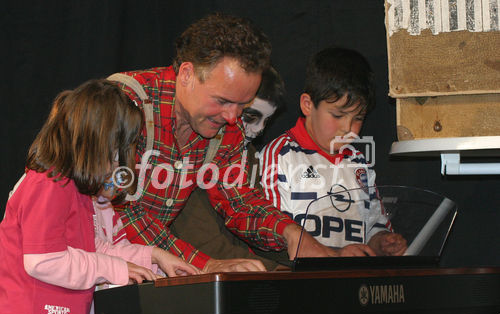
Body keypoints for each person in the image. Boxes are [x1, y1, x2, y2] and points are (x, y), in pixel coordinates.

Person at [110, 13, 337, 273]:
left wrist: (291, 233)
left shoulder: (225, 128)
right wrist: (205, 264)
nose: (232, 117)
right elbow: (118, 210)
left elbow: (239, 201)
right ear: (187, 74)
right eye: (222, 100)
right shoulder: (124, 103)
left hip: (139, 267)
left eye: (242, 105)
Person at [0, 79, 199, 314]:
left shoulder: (75, 188)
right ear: (97, 142)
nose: (119, 165)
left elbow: (93, 248)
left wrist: (153, 257)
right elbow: (44, 260)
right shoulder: (48, 183)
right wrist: (114, 268)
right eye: (117, 153)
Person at [260, 47, 407, 256]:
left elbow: (374, 223)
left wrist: (382, 242)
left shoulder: (359, 162)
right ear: (308, 105)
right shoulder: (279, 156)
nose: (348, 128)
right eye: (338, 115)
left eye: (358, 118)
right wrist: (335, 255)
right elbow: (271, 235)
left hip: (352, 283)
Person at [170, 67, 288, 271]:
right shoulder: (193, 150)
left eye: (266, 121)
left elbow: (255, 226)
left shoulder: (250, 155)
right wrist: (275, 270)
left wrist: (305, 256)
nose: (259, 129)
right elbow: (200, 239)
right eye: (250, 116)